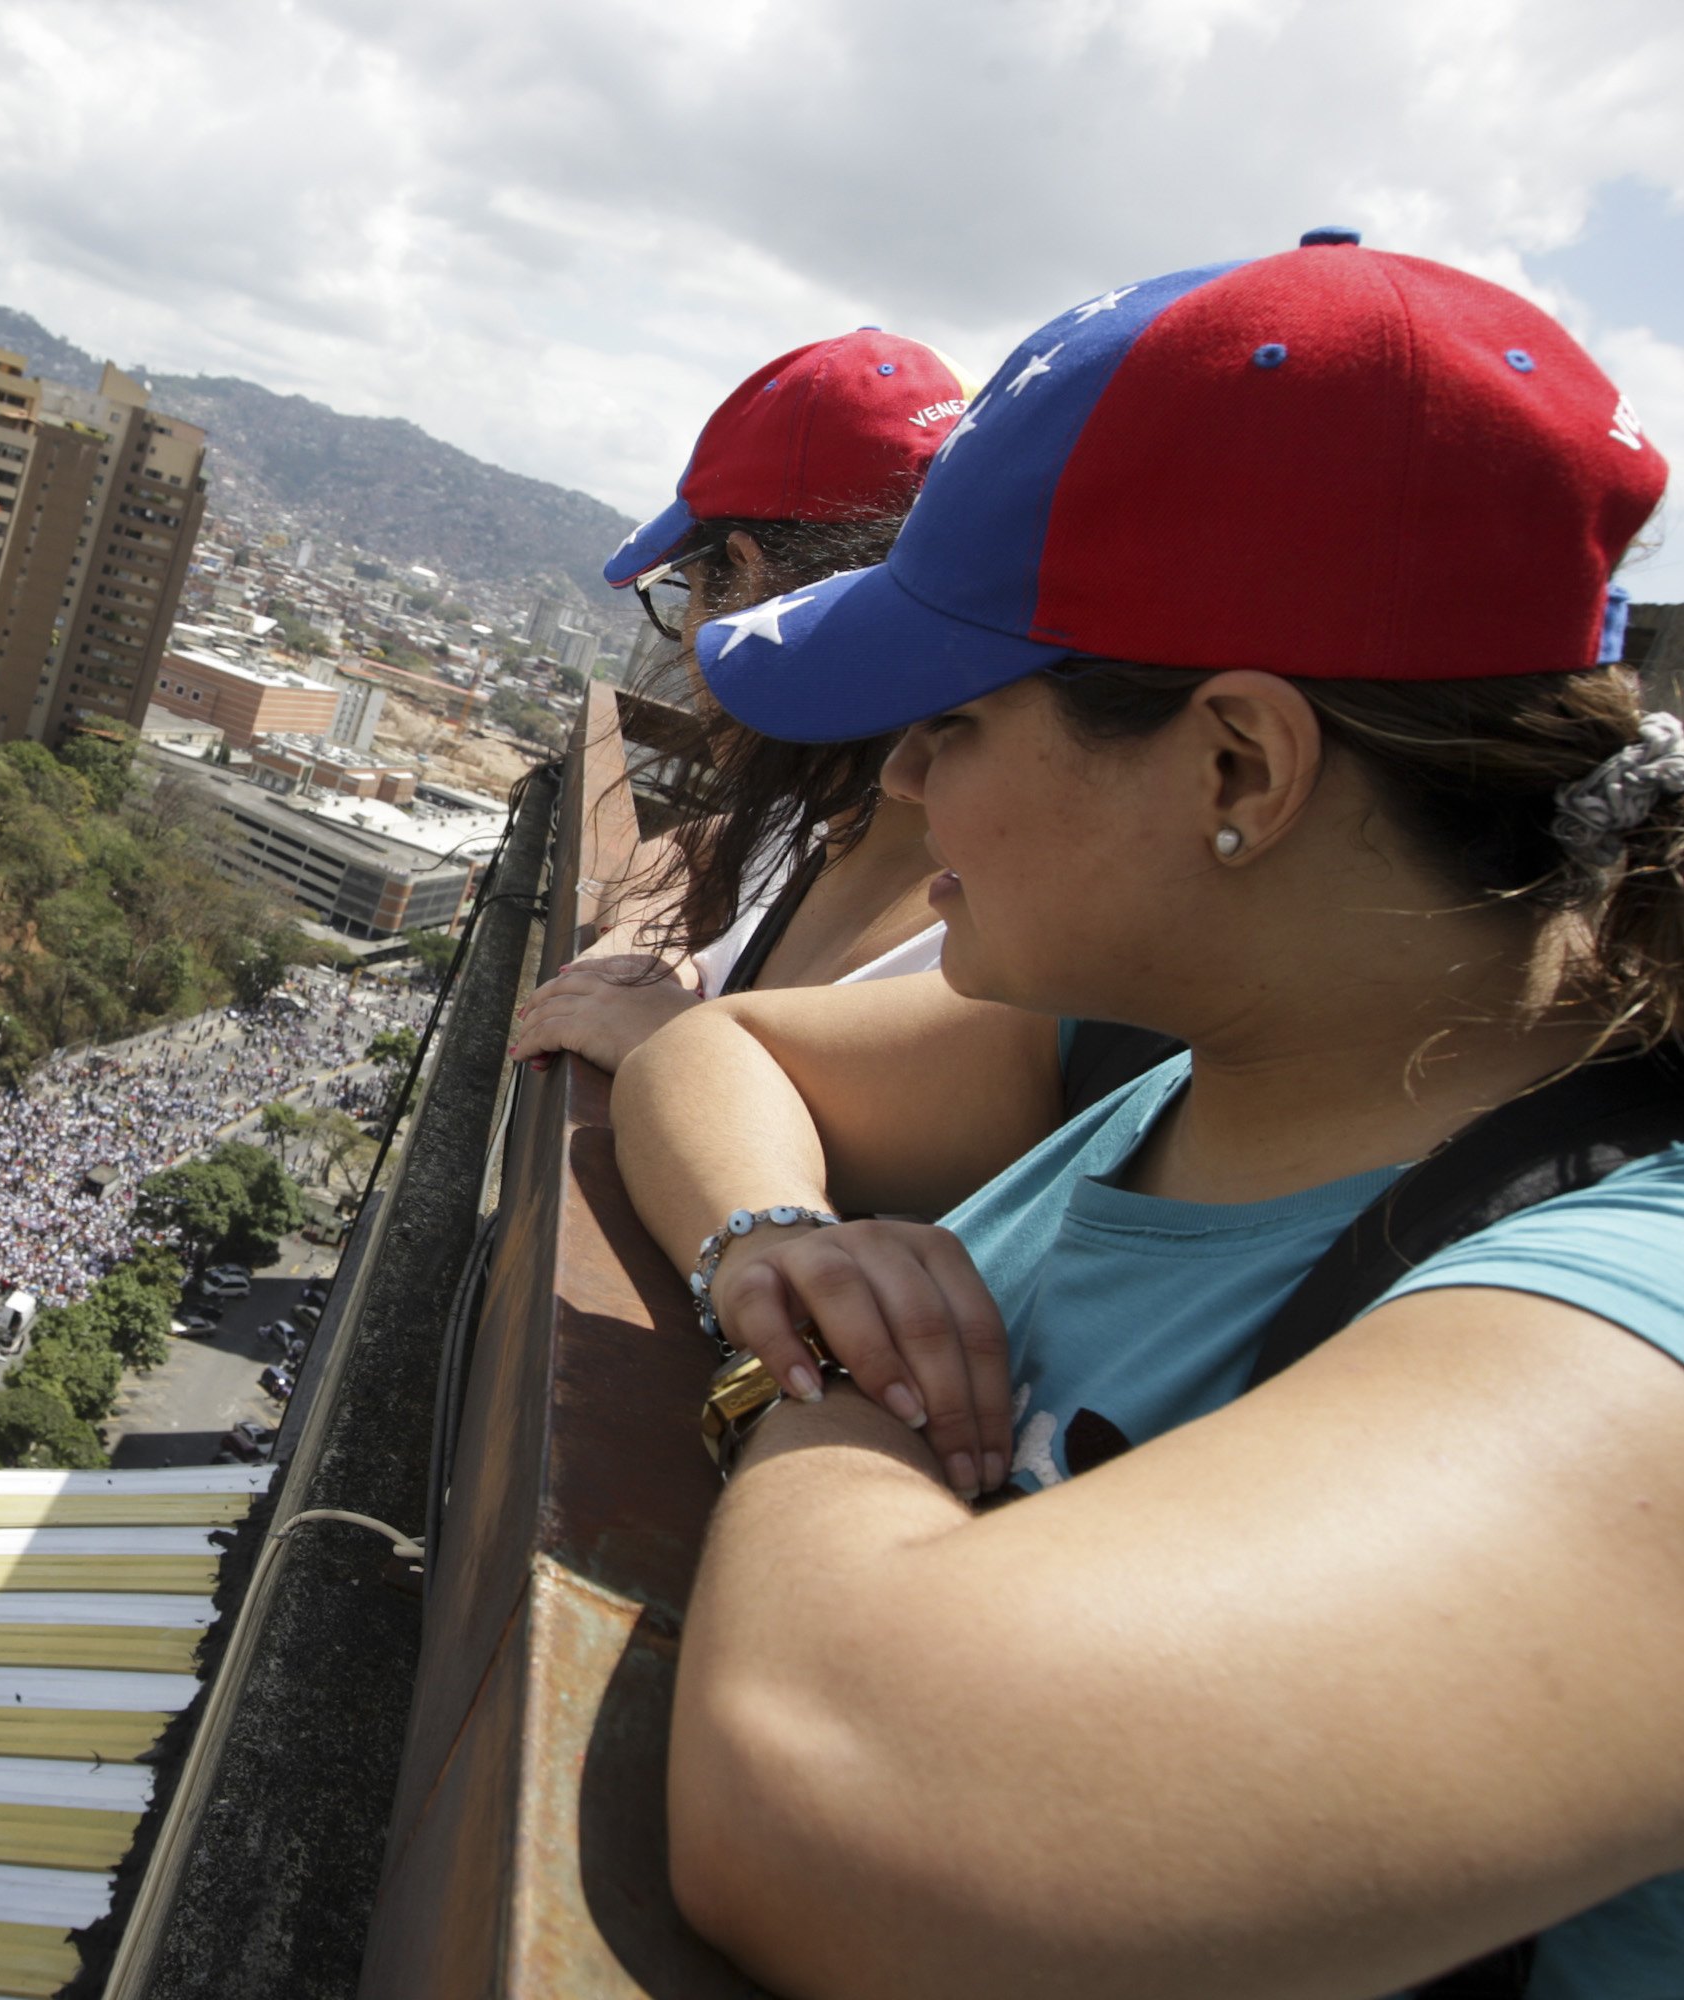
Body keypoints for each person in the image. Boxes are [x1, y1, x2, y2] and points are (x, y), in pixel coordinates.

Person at [616, 232, 1682, 1999]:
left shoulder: (1624, 1321)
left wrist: (833, 1385)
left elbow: (827, 1803)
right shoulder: (1174, 1052)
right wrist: (779, 1242)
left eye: (955, 716)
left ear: (1237, 770)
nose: (899, 778)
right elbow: (711, 1064)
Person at [509, 329, 974, 1073]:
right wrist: (647, 955)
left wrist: (680, 1046)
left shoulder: (982, 961)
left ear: (748, 582)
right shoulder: (823, 814)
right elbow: (686, 849)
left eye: (687, 595)